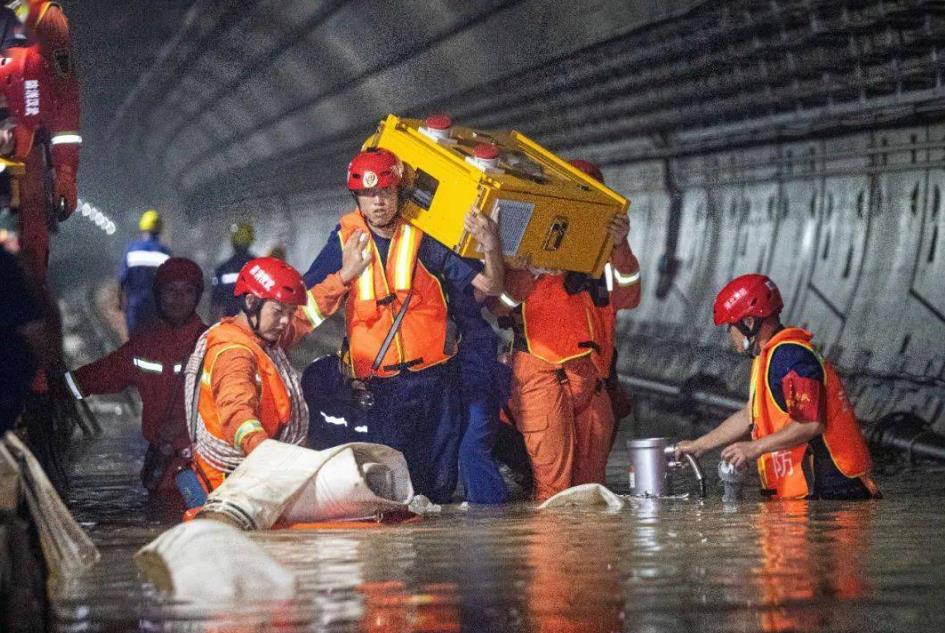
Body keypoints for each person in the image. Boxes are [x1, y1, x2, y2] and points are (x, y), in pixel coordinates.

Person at [302, 147, 503, 503]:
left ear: (399, 192)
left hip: (435, 381)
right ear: (357, 198)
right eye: (368, 194)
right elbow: (304, 302)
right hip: (382, 390)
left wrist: (490, 245)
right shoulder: (344, 241)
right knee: (393, 489)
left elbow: (489, 286)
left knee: (439, 486)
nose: (378, 202)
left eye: (385, 191)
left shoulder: (425, 238)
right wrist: (344, 274)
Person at [675, 274, 879, 500]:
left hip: (837, 493)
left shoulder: (791, 358)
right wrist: (700, 445)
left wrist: (754, 448)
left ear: (748, 322)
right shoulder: (768, 358)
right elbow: (749, 415)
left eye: (730, 326)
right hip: (814, 496)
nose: (730, 335)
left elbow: (810, 423)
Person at [492, 210, 634, 501]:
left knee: (592, 489)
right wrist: (532, 271)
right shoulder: (522, 244)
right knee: (553, 490)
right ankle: (549, 532)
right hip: (542, 372)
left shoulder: (600, 249)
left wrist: (620, 245)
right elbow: (497, 306)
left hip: (592, 377)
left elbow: (629, 296)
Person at [61, 257, 206, 501]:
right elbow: (103, 374)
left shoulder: (214, 342)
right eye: (171, 291)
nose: (178, 299)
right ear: (158, 295)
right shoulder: (145, 346)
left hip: (205, 465)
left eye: (187, 291)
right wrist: (58, 387)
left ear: (197, 296)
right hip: (165, 468)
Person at [187, 257, 317, 491]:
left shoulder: (262, 339)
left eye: (290, 312)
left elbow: (306, 318)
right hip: (231, 485)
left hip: (253, 471)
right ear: (251, 302)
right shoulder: (234, 355)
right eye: (278, 311)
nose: (285, 321)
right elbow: (237, 414)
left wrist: (343, 278)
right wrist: (268, 456)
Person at [0, 0, 80, 282]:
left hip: (27, 161)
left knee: (29, 261)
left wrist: (65, 172)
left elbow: (65, 99)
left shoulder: (45, 18)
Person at [569, 159, 642, 441]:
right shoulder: (542, 244)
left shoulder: (610, 251)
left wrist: (620, 245)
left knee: (594, 452)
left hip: (598, 368)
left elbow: (629, 297)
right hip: (551, 367)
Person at [119, 209, 171, 336]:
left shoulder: (132, 250)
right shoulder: (165, 253)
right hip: (156, 310)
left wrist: (120, 302)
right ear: (159, 230)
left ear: (142, 228)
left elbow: (122, 280)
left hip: (135, 308)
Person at [210, 221, 257, 319]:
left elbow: (216, 301)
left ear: (233, 242)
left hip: (230, 319)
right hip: (254, 319)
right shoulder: (259, 267)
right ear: (250, 241)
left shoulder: (223, 269)